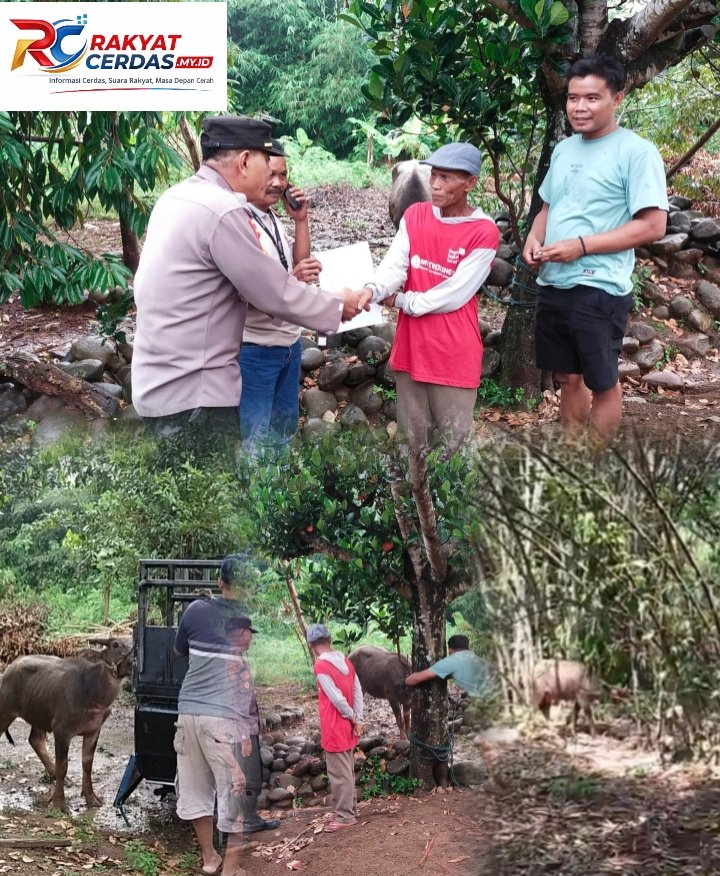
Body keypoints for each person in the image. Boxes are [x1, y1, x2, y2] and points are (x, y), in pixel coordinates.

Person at [132, 116, 370, 441]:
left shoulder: (176, 197)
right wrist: (340, 303)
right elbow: (273, 293)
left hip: (160, 386)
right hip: (196, 397)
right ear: (245, 161)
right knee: (215, 488)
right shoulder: (223, 210)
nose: (274, 179)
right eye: (265, 164)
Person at [522, 54, 668, 449]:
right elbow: (548, 209)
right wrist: (533, 240)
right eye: (573, 98)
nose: (579, 107)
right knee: (566, 378)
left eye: (591, 98)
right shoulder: (566, 150)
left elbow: (654, 225)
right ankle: (572, 459)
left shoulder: (636, 153)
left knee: (601, 381)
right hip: (555, 282)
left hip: (599, 288)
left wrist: (581, 246)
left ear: (617, 98)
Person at [359, 142, 499, 451]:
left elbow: (453, 294)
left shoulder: (483, 231)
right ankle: (413, 500)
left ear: (470, 183)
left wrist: (401, 301)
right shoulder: (416, 215)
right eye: (434, 174)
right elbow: (395, 265)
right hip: (412, 348)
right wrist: (373, 289)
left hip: (451, 354)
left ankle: (451, 501)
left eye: (446, 178)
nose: (434, 184)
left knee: (453, 447)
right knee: (412, 442)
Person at [173, 555, 279, 876]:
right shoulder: (242, 621)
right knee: (234, 788)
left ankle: (209, 858)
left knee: (194, 788)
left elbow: (180, 650)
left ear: (220, 582)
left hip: (188, 713)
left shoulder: (193, 610)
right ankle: (232, 868)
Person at [239, 145, 321, 448]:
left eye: (283, 174)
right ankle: (257, 495)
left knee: (283, 430)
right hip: (255, 347)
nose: (278, 182)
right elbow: (257, 287)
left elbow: (298, 261)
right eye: (270, 174)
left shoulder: (271, 217)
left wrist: (300, 220)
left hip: (289, 343)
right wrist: (293, 279)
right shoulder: (241, 223)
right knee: (255, 437)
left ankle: (278, 493)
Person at [306, 623, 364, 833]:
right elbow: (357, 691)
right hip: (348, 726)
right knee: (346, 770)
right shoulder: (347, 662)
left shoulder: (321, 666)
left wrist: (350, 716)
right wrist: (358, 719)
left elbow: (337, 699)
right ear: (329, 640)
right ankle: (349, 809)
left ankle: (345, 816)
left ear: (311, 645)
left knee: (339, 775)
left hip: (334, 725)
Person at [404, 635, 494, 698]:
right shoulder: (476, 659)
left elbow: (414, 680)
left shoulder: (452, 661)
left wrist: (406, 680)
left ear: (450, 650)